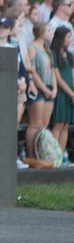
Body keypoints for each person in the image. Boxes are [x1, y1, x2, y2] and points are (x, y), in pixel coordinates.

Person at [26, 22, 56, 159]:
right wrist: (43, 88)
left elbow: (53, 71)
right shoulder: (32, 48)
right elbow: (32, 71)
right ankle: (31, 155)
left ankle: (41, 155)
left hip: (50, 86)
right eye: (48, 30)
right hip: (38, 87)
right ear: (40, 32)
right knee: (35, 123)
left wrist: (54, 88)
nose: (50, 33)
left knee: (44, 124)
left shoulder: (47, 49)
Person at [50, 26, 74, 156]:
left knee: (65, 125)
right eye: (68, 37)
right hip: (61, 92)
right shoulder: (53, 54)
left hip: (70, 93)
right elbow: (58, 78)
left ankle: (61, 153)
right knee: (58, 124)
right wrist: (71, 93)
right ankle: (53, 154)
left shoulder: (69, 55)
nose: (70, 40)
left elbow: (72, 74)